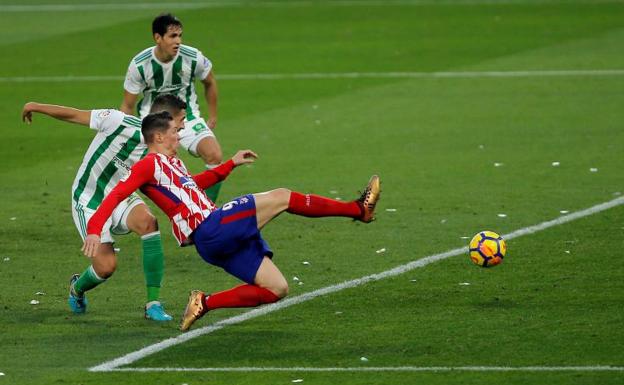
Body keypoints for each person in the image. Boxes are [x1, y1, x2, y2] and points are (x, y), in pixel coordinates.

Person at [82, 111, 381, 331]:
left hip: (212, 243)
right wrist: (95, 230)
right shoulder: (147, 164)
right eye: (175, 130)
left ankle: (204, 302)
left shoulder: (171, 163)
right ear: (159, 136)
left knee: (277, 288)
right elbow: (117, 193)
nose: (180, 134)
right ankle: (358, 210)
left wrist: (230, 165)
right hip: (211, 228)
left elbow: (192, 184)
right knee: (282, 196)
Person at [21, 95, 188, 322]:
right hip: (88, 199)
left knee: (149, 223)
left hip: (119, 198)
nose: (183, 128)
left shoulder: (160, 153)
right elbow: (75, 114)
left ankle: (153, 304)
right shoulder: (117, 121)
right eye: (180, 122)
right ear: (164, 122)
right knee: (106, 267)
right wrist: (36, 106)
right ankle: (77, 288)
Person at [120, 12, 223, 202]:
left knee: (214, 155)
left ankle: (207, 212)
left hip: (188, 118)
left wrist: (213, 115)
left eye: (180, 35)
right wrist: (124, 132)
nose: (178, 41)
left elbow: (210, 81)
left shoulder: (192, 57)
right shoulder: (140, 64)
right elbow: (127, 104)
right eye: (172, 36)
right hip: (153, 123)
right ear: (157, 38)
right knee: (137, 172)